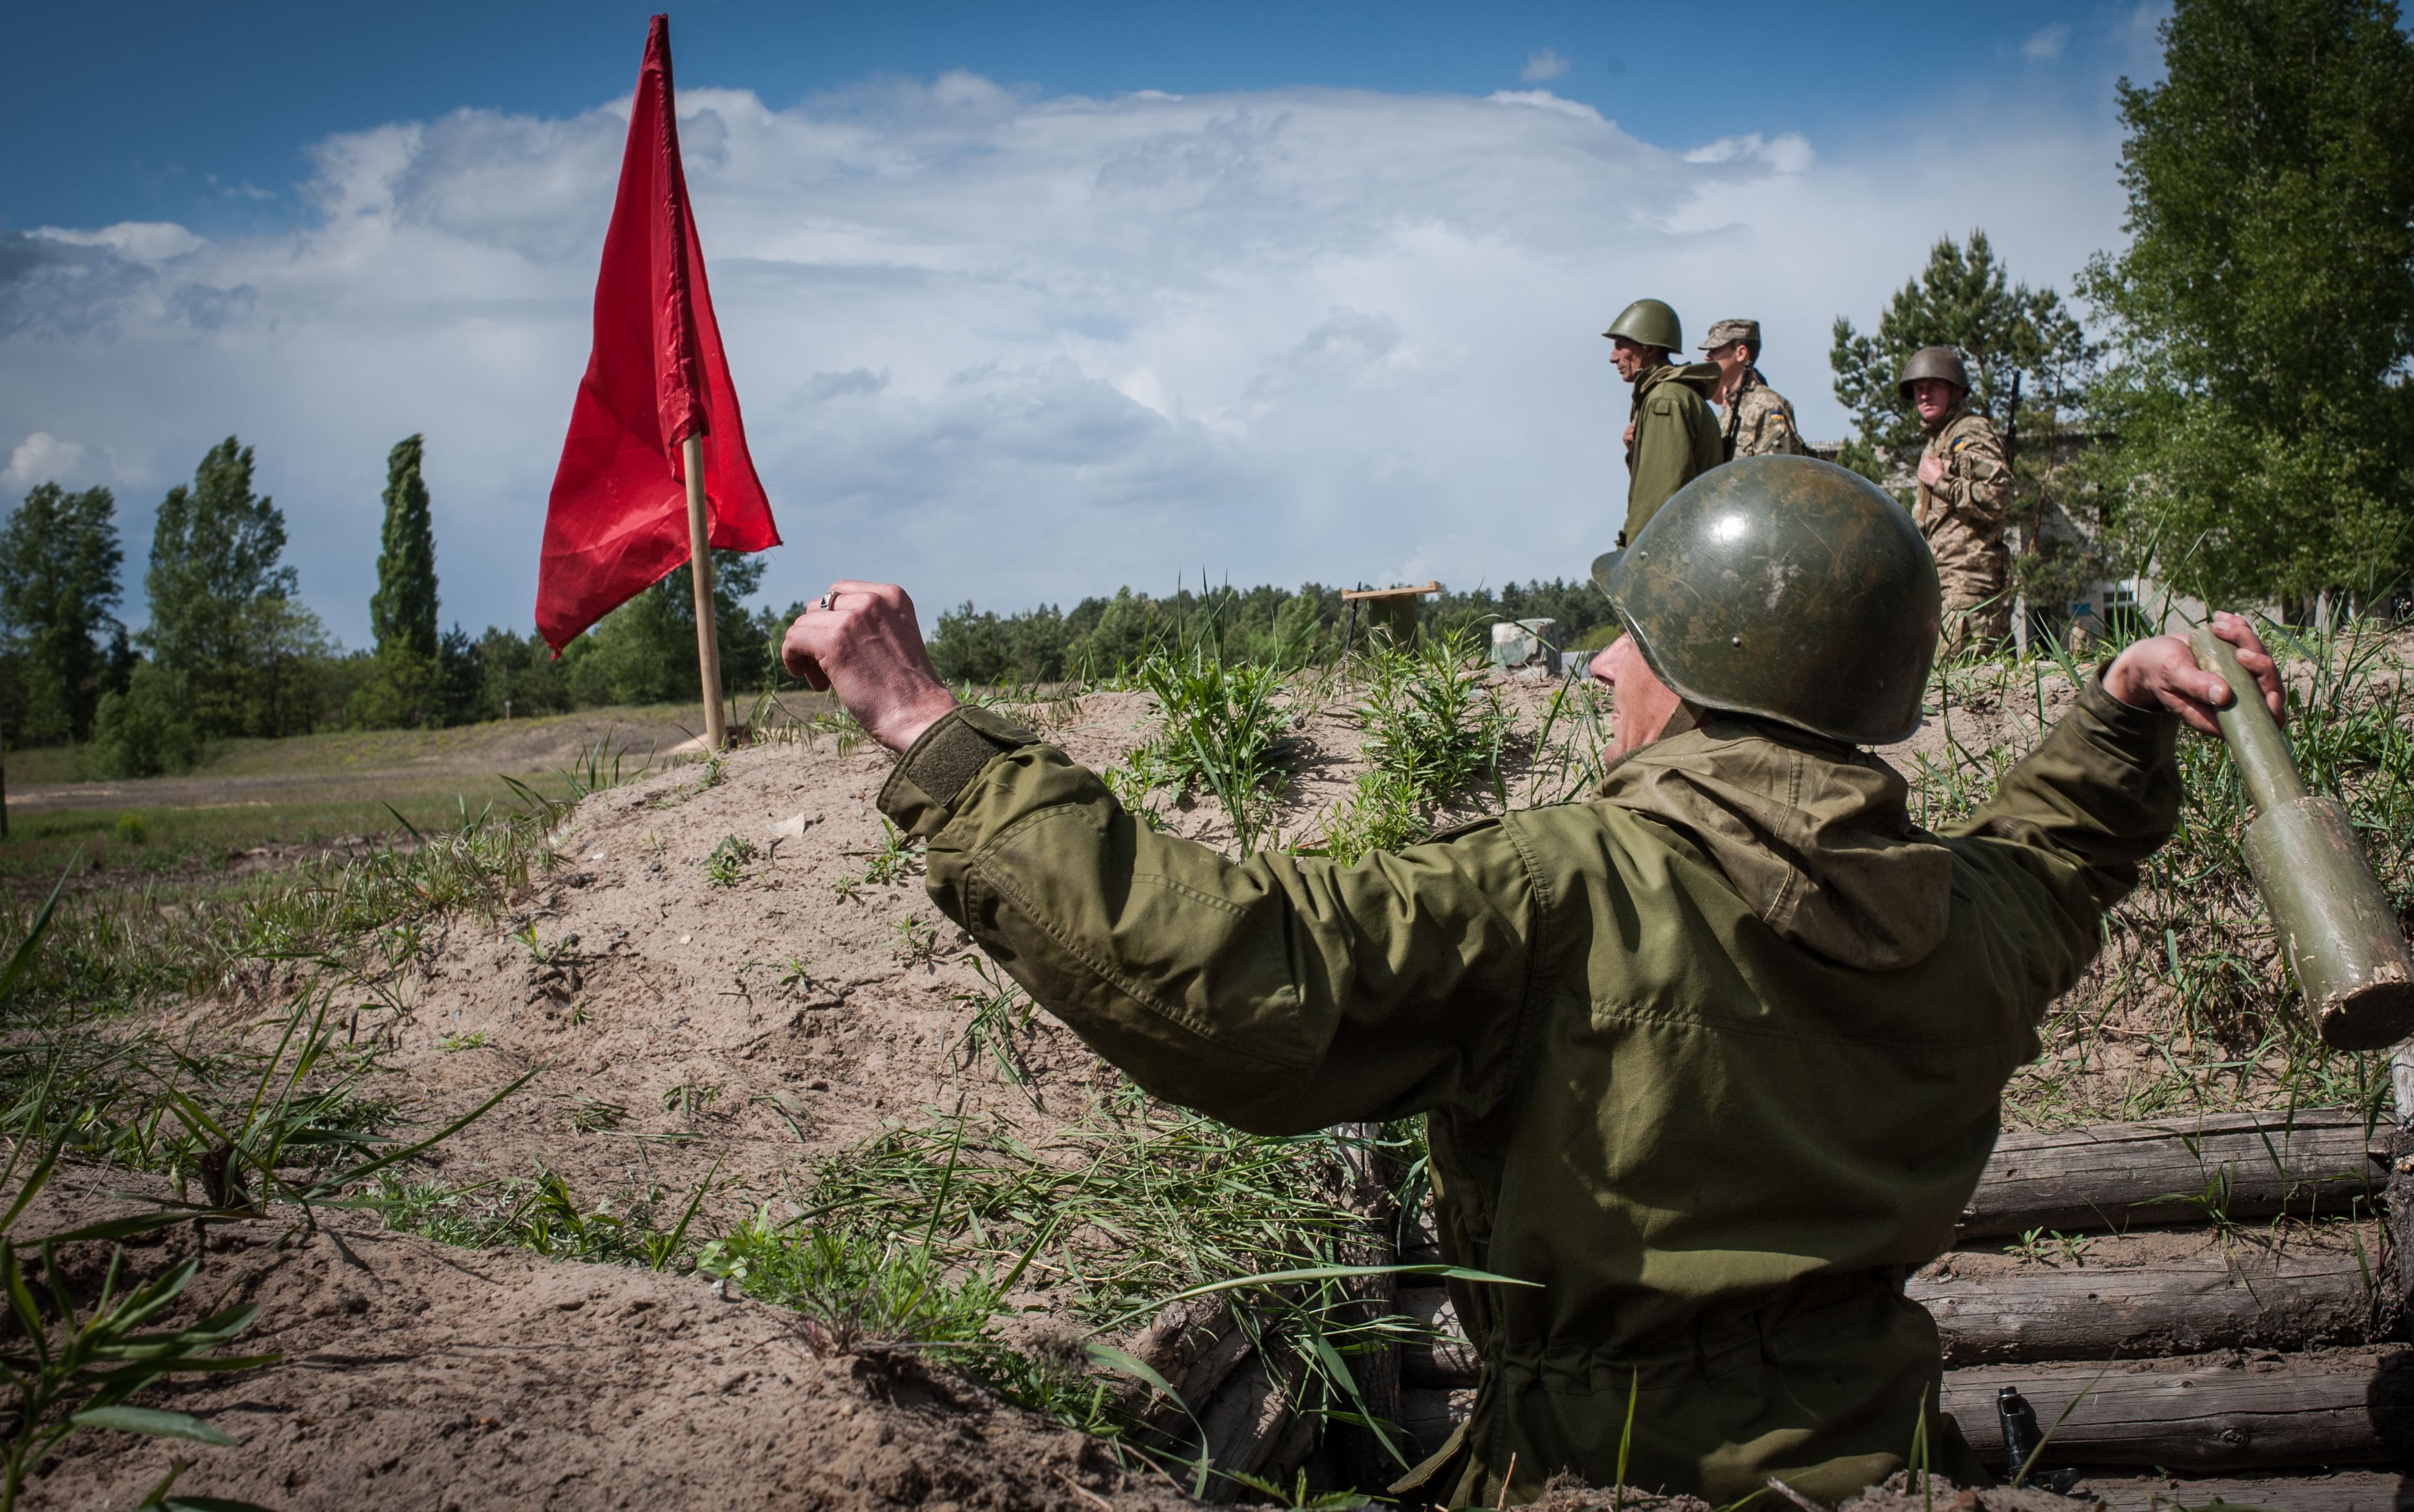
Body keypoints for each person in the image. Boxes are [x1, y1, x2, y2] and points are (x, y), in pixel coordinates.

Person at [780, 458, 2286, 1509]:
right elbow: (2057, 853)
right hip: (1881, 1467)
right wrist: (2118, 717)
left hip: (1607, 1479)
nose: (1599, 669)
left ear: (1700, 677)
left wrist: (930, 733)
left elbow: (1225, 973)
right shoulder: (1966, 921)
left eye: (1629, 637)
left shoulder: (1560, 890)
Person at [1901, 346, 2014, 655]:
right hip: (1944, 583)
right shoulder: (1939, 440)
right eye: (1919, 389)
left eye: (1934, 386)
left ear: (1957, 390)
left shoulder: (1970, 432)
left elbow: (1998, 496)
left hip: (1968, 581)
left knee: (1964, 685)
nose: (1924, 395)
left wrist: (1941, 482)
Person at [1605, 299, 1724, 547]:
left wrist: (1633, 558)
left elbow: (1658, 497)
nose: (1612, 358)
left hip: (1671, 554)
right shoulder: (1670, 395)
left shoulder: (1664, 399)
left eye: (1620, 346)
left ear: (1649, 349)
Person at [1700, 319, 1804, 460]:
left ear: (1741, 353)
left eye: (1715, 350)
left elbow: (1780, 473)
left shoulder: (1768, 405)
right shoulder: (1728, 411)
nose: (1707, 357)